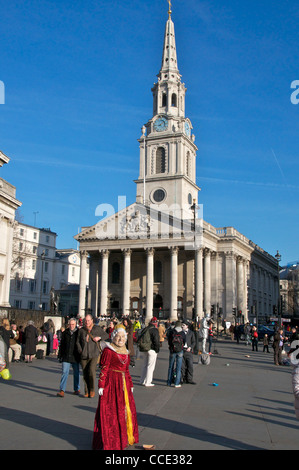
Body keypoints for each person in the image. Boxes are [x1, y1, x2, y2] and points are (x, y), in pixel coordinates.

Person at [92, 324, 139, 450]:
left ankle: (123, 437)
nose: (120, 339)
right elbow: (104, 369)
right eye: (118, 336)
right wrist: (101, 385)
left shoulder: (126, 351)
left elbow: (126, 370)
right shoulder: (108, 351)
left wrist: (130, 383)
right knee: (111, 411)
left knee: (124, 410)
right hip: (111, 383)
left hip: (123, 384)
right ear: (113, 337)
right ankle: (112, 438)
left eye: (123, 337)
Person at [76, 314, 109, 398]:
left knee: (91, 371)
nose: (87, 322)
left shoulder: (97, 329)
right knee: (85, 373)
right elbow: (77, 342)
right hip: (84, 354)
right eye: (85, 321)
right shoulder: (82, 330)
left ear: (92, 320)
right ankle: (86, 391)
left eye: (88, 320)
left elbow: (106, 335)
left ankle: (92, 390)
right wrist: (80, 350)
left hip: (94, 353)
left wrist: (99, 338)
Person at [57, 318, 81, 397]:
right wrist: (60, 355)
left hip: (75, 356)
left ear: (76, 324)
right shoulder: (65, 333)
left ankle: (76, 389)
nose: (71, 326)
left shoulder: (78, 333)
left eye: (73, 324)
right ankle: (62, 390)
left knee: (76, 373)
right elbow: (62, 345)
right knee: (64, 372)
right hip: (66, 355)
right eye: (70, 324)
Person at [139, 317, 160, 387]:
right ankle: (148, 382)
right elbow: (156, 341)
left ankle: (142, 380)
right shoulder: (154, 330)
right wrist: (157, 349)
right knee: (150, 366)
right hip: (152, 349)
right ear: (156, 323)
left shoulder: (146, 329)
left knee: (145, 365)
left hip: (145, 348)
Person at [166, 320, 186, 387]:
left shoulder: (172, 332)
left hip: (172, 350)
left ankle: (169, 382)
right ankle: (177, 383)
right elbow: (184, 341)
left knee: (170, 366)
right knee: (178, 367)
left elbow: (168, 340)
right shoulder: (182, 333)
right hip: (180, 350)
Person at [181, 319, 196, 384]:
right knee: (182, 366)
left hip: (188, 351)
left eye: (183, 325)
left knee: (190, 365)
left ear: (187, 326)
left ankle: (189, 379)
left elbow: (194, 342)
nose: (182, 326)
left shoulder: (191, 333)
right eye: (182, 325)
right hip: (182, 350)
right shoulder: (180, 333)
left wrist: (190, 347)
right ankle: (182, 379)